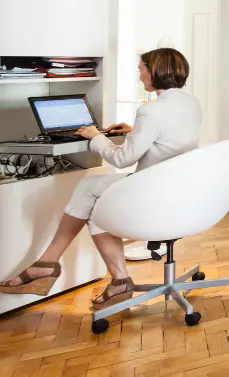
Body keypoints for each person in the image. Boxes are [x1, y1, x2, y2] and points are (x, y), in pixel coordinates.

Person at [0, 48, 201, 310]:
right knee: (94, 197)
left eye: (141, 69)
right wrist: (134, 132)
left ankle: (54, 266)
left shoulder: (150, 112)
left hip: (153, 194)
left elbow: (121, 160)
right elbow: (170, 137)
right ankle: (104, 278)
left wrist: (96, 137)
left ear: (155, 72)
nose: (139, 75)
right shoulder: (190, 103)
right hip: (180, 191)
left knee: (90, 190)